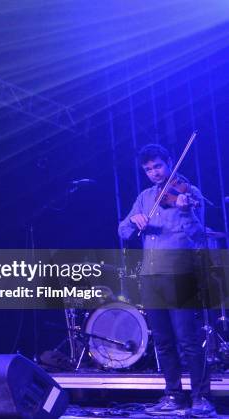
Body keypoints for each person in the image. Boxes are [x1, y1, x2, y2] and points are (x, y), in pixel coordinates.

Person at [118, 144, 215, 417]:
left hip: (181, 276)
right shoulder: (144, 197)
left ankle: (201, 397)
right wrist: (134, 221)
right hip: (151, 277)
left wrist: (185, 211)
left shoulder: (189, 193)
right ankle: (173, 395)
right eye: (148, 169)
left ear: (170, 162)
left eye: (158, 166)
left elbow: (198, 235)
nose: (154, 173)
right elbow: (124, 231)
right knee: (162, 341)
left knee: (188, 340)